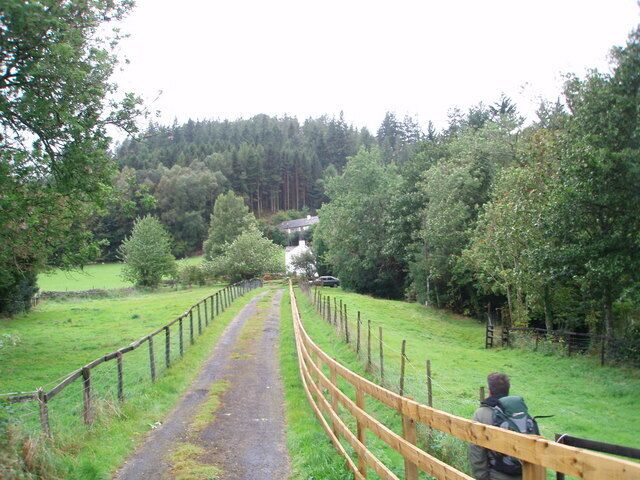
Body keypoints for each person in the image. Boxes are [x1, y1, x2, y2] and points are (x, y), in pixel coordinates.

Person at [468, 372, 521, 480]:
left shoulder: (481, 414)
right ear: (507, 391)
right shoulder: (519, 412)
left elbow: (477, 452)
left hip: (497, 475)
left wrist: (482, 477)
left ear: (490, 391)